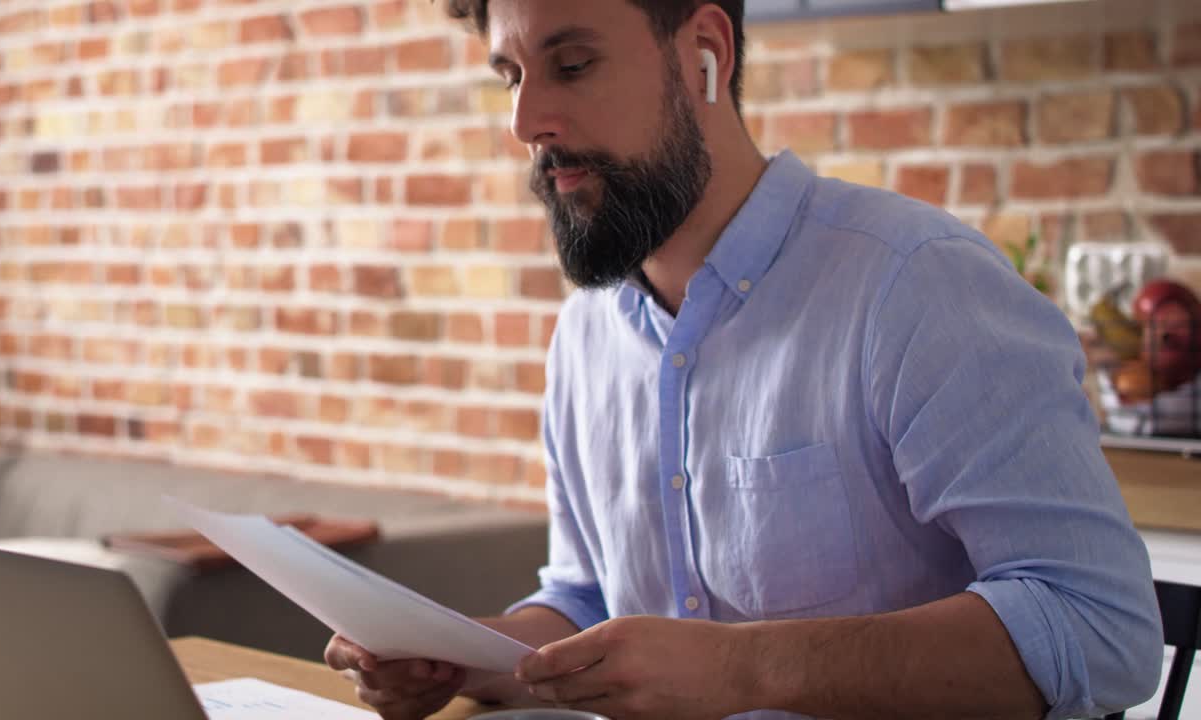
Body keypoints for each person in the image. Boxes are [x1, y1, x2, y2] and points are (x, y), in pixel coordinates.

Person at [326, 1, 1165, 718]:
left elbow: (1098, 627)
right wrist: (457, 658)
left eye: (572, 65)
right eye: (510, 75)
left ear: (704, 56)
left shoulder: (917, 287)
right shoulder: (587, 335)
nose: (524, 122)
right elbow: (588, 603)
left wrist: (745, 667)